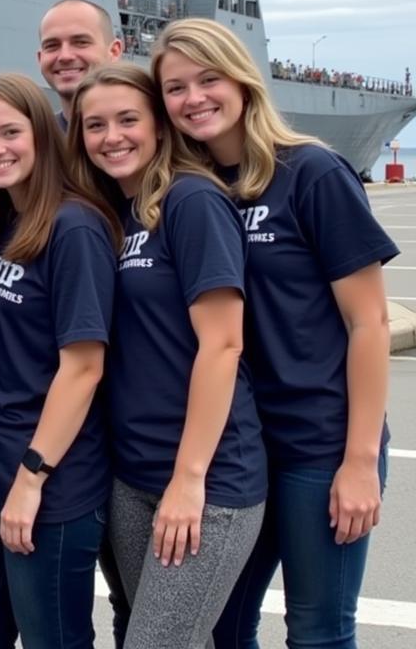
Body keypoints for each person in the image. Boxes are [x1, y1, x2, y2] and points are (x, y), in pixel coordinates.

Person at [150, 20, 397, 649]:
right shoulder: (191, 191)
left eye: (209, 79)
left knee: (317, 629)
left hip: (319, 443)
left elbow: (369, 322)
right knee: (225, 627)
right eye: (175, 87)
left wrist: (361, 462)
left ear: (242, 80)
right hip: (243, 449)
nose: (193, 98)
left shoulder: (311, 172)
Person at [70, 62, 266, 649]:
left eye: (128, 119)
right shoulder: (122, 212)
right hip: (134, 476)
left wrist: (189, 480)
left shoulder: (192, 200)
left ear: (158, 126)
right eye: (95, 125)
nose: (112, 137)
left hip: (207, 481)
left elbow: (223, 342)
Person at [0, 73, 118, 649]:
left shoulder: (74, 227)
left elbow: (84, 368)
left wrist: (32, 479)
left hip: (51, 484)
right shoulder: (4, 222)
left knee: (56, 640)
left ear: (43, 136)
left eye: (10, 133)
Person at [37, 0, 123, 130]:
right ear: (40, 58)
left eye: (81, 42)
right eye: (52, 46)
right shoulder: (36, 144)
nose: (65, 56)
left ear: (114, 51)